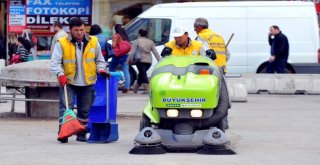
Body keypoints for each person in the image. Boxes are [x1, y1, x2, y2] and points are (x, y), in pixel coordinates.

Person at [50, 17, 109, 143]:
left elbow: (99, 60)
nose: (80, 32)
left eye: (82, 29)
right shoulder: (62, 43)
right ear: (70, 30)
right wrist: (60, 74)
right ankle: (63, 133)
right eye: (76, 30)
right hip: (68, 81)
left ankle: (81, 134)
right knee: (66, 108)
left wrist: (101, 69)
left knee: (84, 110)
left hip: (88, 81)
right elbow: (54, 63)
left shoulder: (94, 41)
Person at [129, 29, 161, 94]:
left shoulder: (136, 41)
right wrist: (160, 61)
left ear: (139, 34)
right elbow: (155, 52)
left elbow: (132, 52)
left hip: (139, 60)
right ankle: (135, 88)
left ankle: (148, 89)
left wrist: (129, 60)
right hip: (149, 61)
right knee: (142, 73)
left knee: (143, 74)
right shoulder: (150, 42)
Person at [109, 24, 131, 93]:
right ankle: (127, 88)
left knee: (111, 69)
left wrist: (111, 46)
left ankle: (111, 84)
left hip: (117, 56)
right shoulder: (125, 36)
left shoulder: (115, 36)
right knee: (126, 71)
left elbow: (113, 45)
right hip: (125, 55)